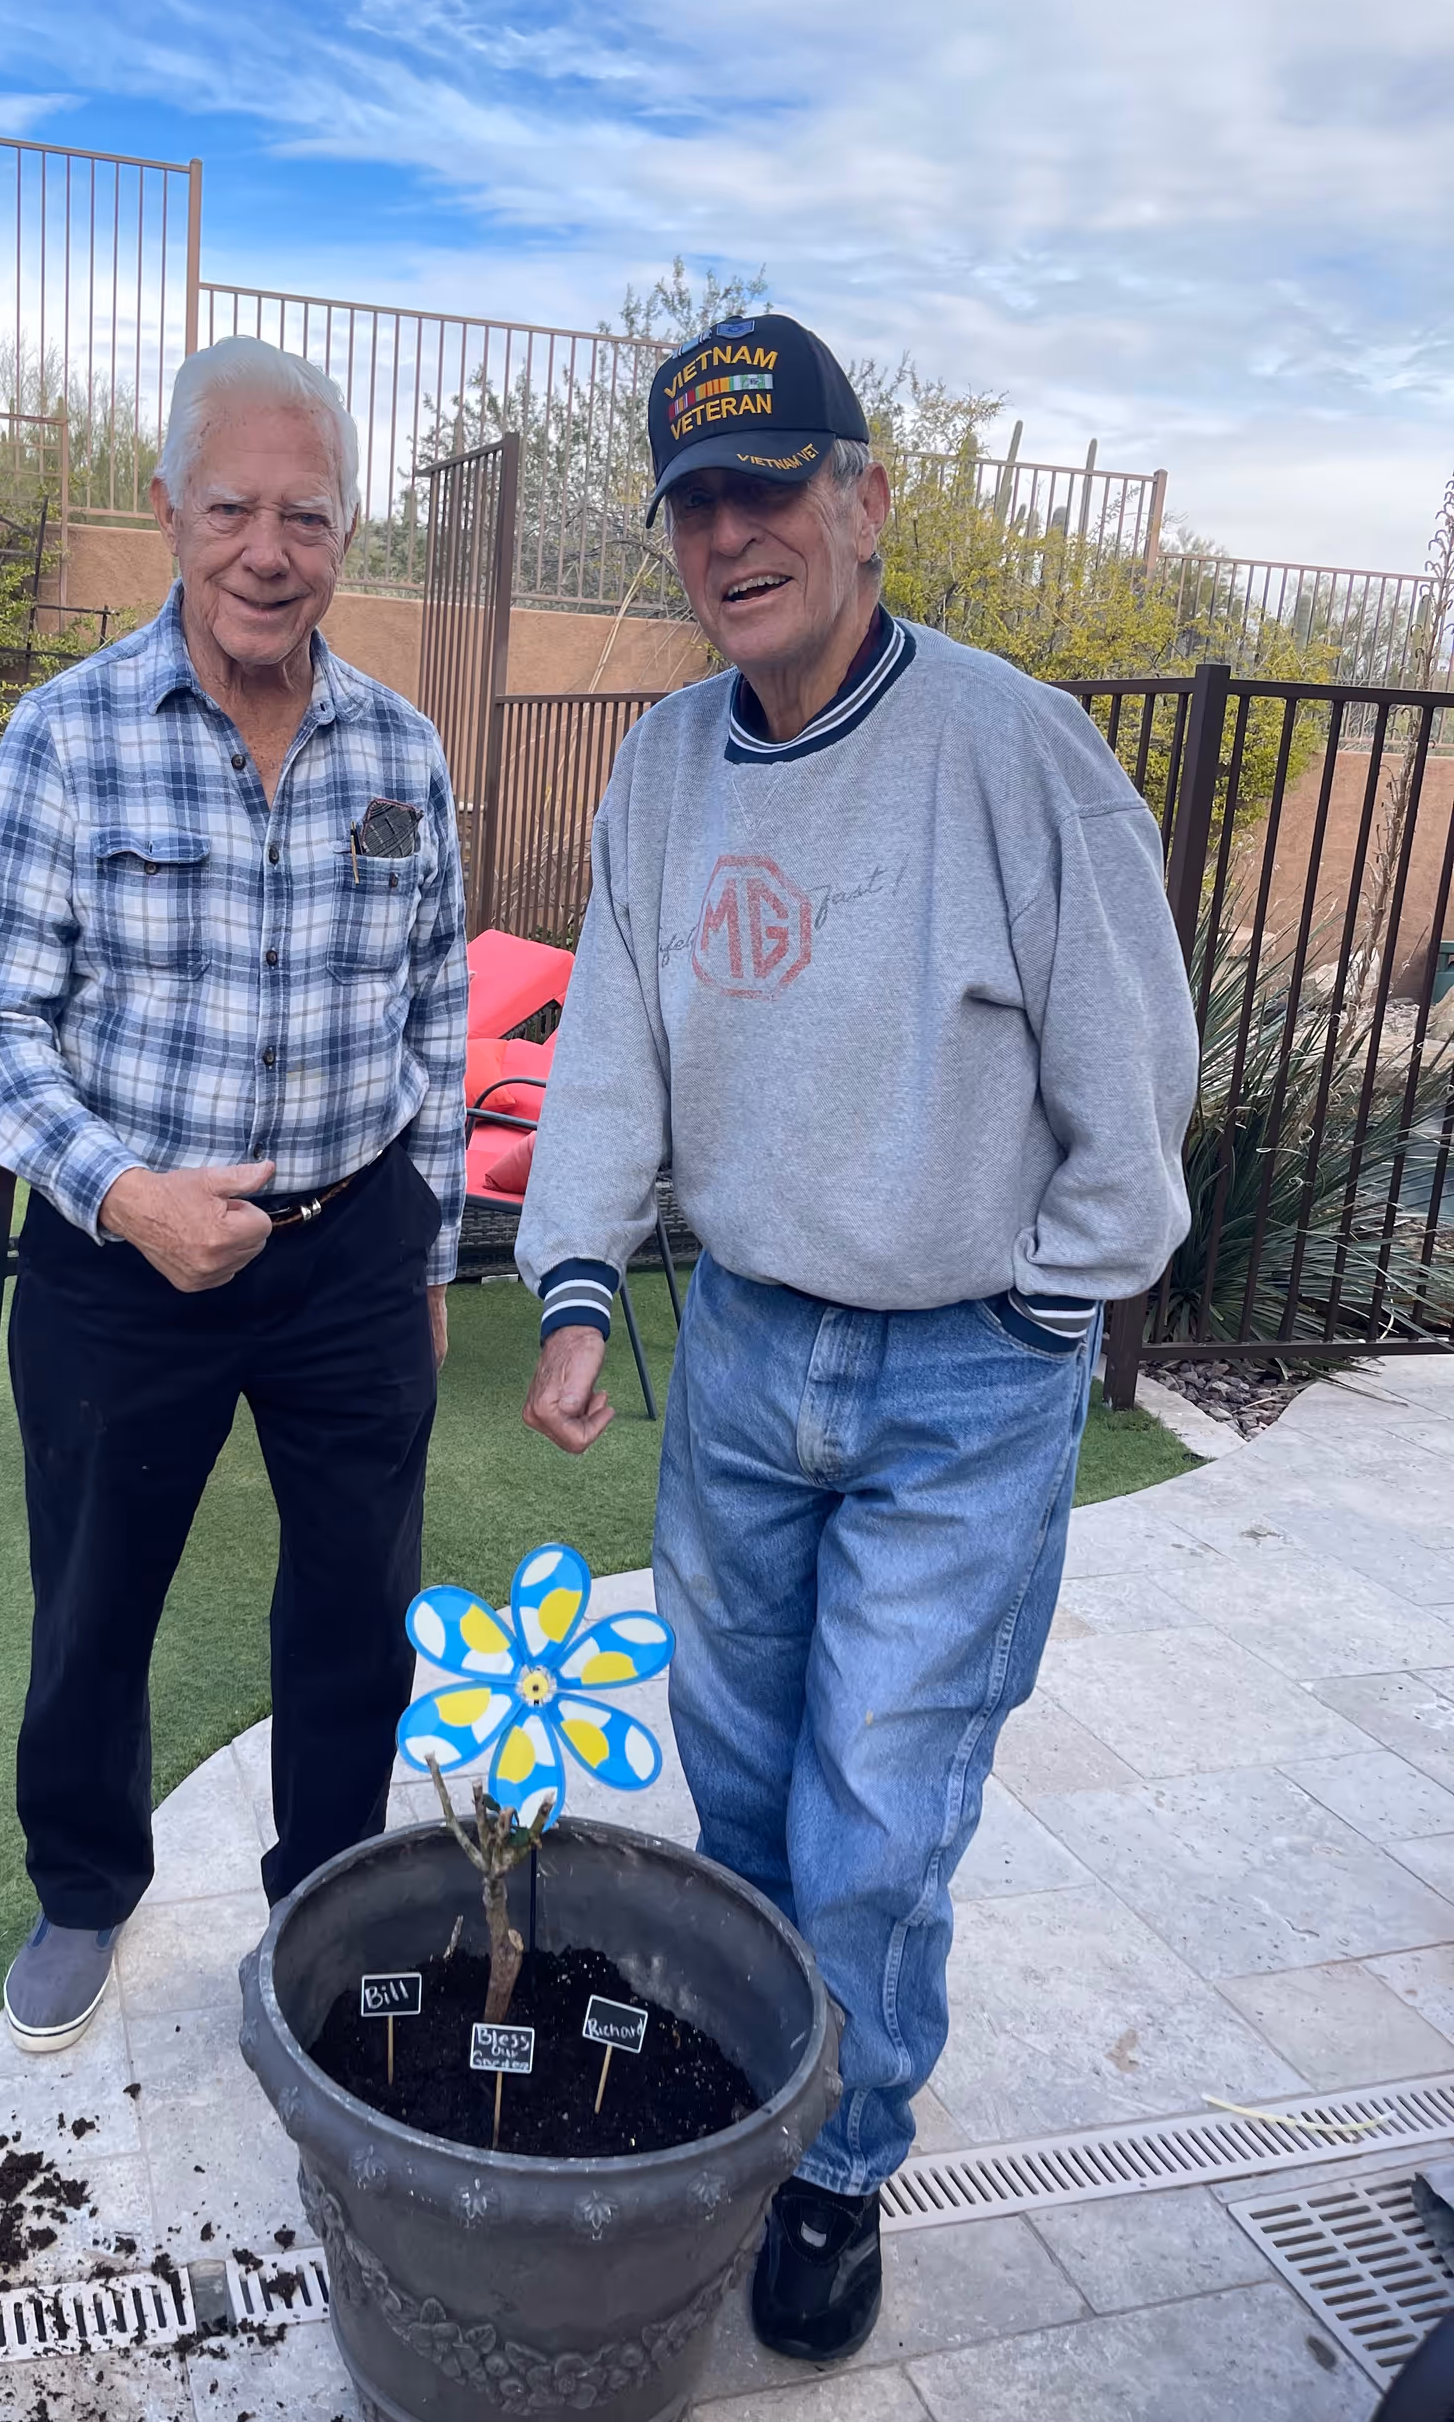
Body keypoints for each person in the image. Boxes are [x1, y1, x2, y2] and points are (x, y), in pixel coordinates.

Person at [515, 313, 1197, 2363]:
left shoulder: (1013, 749)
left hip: (954, 1382)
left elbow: (1133, 1065)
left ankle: (836, 2155)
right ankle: (754, 2084)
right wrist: (573, 1277)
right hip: (735, 1351)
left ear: (864, 499)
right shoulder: (663, 762)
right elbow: (616, 1042)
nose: (735, 532)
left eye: (774, 484)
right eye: (699, 499)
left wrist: (1047, 1296)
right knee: (734, 1786)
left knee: (880, 1811)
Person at [0, 338, 467, 2054]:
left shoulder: (404, 754)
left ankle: (327, 1897)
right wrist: (123, 1193)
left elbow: (438, 1005)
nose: (267, 548)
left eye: (304, 515)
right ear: (168, 510)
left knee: (354, 1604)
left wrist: (435, 1238)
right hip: (119, 1257)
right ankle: (86, 1886)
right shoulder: (66, 739)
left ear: (347, 537)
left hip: (351, 1243)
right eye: (232, 505)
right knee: (94, 1592)